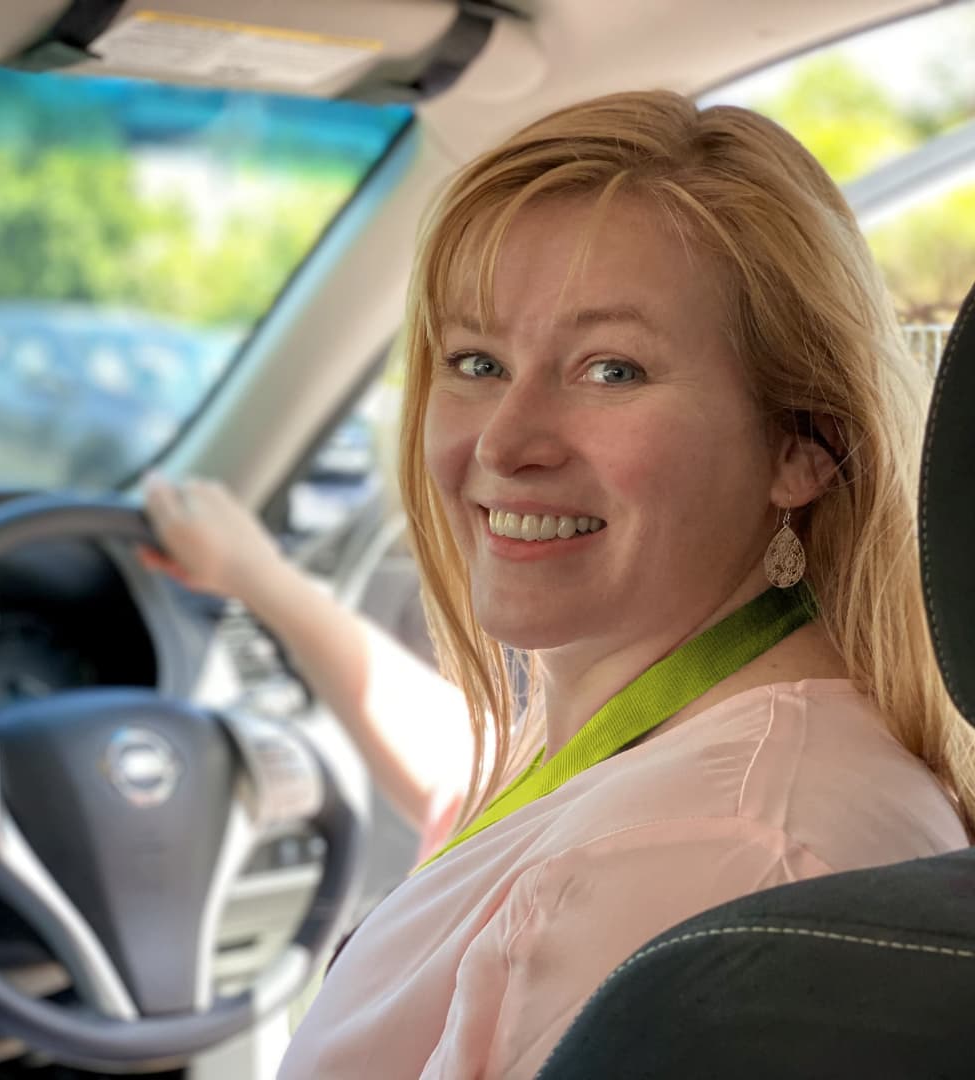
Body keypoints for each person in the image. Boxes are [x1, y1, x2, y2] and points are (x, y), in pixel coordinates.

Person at [144, 90, 975, 1079]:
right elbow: (479, 799)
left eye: (611, 369)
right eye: (477, 360)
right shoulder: (680, 736)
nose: (504, 441)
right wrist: (261, 582)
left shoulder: (709, 855)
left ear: (801, 446)